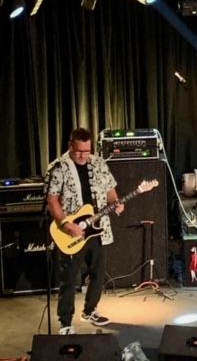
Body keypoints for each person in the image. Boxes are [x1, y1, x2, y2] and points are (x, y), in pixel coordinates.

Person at [45, 128, 124, 335]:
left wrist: (116, 202)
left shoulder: (99, 163)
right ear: (70, 146)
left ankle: (90, 310)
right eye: (78, 151)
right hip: (71, 230)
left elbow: (110, 189)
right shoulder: (58, 167)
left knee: (98, 273)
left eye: (87, 151)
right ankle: (65, 322)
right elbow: (52, 200)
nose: (82, 156)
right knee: (70, 277)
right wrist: (65, 224)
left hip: (96, 228)